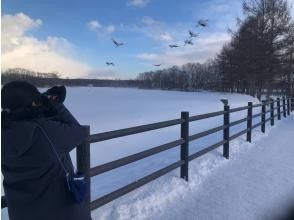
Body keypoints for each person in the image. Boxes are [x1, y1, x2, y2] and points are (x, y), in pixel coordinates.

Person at [1, 81, 90, 220]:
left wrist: (39, 106)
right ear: (30, 105)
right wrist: (55, 105)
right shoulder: (43, 131)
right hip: (61, 213)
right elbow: (79, 132)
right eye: (36, 102)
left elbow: (22, 120)